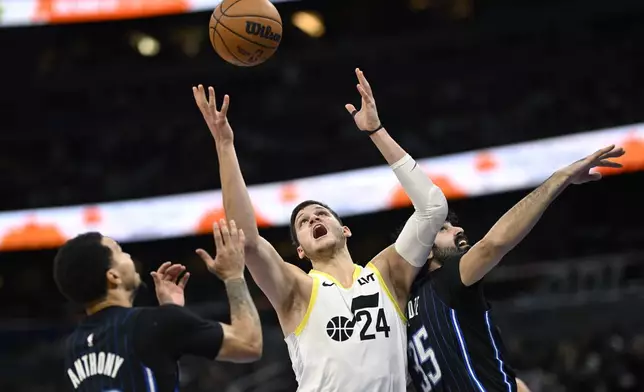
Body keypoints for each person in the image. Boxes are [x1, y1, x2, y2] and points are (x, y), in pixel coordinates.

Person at [192, 68, 449, 391]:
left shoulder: (387, 273)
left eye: (321, 214)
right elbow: (248, 241)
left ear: (345, 230)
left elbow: (433, 208)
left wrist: (376, 130)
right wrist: (224, 144)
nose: (313, 219)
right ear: (300, 250)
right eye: (303, 222)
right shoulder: (297, 289)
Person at [406, 145, 625, 392]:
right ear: (425, 251)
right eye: (444, 229)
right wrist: (560, 178)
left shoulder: (407, 307)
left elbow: (468, 366)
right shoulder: (445, 280)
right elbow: (493, 244)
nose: (459, 229)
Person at [54, 219, 262, 392]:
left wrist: (173, 311)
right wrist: (234, 276)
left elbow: (146, 359)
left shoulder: (74, 346)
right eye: (120, 252)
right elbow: (249, 344)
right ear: (113, 276)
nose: (129, 257)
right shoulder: (152, 323)